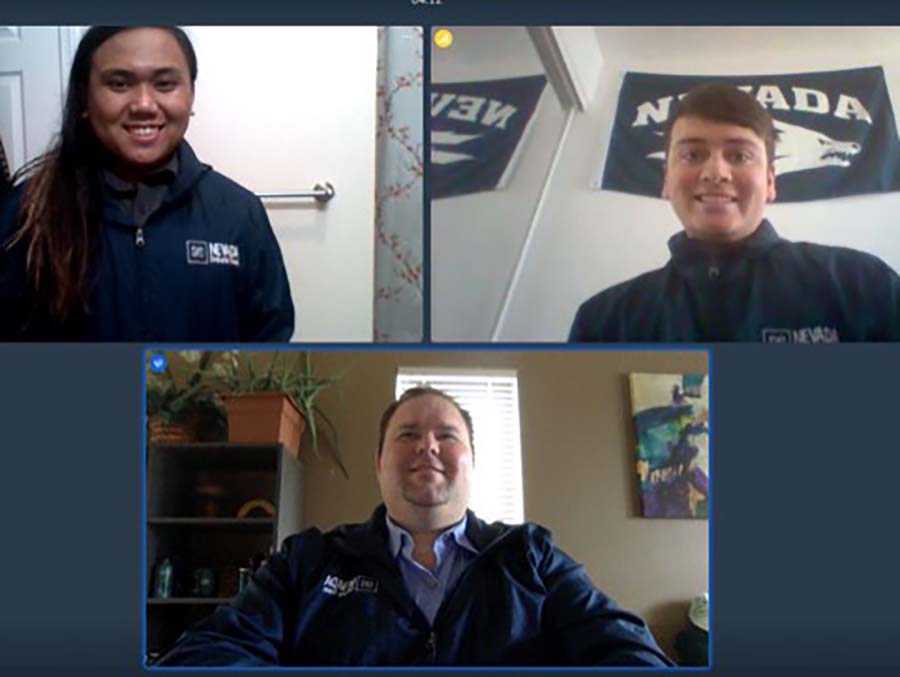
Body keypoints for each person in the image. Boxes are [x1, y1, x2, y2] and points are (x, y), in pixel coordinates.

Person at [155, 387, 673, 667]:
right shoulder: (306, 561)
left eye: (446, 435)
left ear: (472, 462)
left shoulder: (531, 556)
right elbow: (209, 653)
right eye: (407, 435)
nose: (427, 446)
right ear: (379, 461)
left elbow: (626, 649)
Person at [0, 26, 294, 341]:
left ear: (190, 95)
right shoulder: (27, 213)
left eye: (165, 84)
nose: (143, 104)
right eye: (119, 83)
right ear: (85, 97)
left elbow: (270, 338)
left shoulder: (239, 214)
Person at [569, 83, 900, 343]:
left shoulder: (863, 285)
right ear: (667, 181)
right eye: (693, 154)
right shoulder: (604, 321)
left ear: (770, 182)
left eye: (739, 156)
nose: (716, 172)